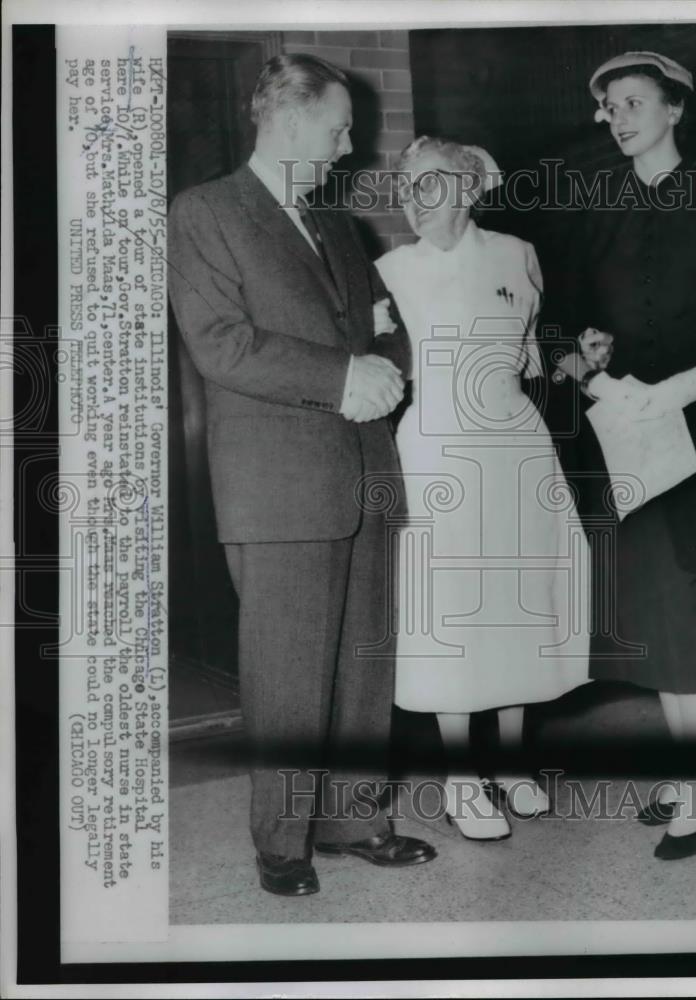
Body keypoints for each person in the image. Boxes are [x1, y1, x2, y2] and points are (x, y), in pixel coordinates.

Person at [167, 53, 436, 897]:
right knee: (287, 673)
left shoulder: (337, 225)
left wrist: (384, 366)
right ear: (287, 119)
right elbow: (221, 344)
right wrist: (343, 376)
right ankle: (282, 843)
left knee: (363, 665)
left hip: (363, 472)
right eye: (337, 127)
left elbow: (387, 332)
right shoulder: (205, 212)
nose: (348, 145)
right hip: (277, 484)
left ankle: (354, 820)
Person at [557, 51, 696, 859]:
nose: (617, 117)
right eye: (608, 105)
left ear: (674, 109)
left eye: (633, 102)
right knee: (655, 614)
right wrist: (588, 356)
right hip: (629, 436)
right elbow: (570, 322)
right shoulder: (600, 210)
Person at [376, 137, 591, 841]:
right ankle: (461, 778)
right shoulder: (390, 271)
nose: (412, 198)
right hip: (438, 448)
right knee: (454, 612)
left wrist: (579, 363)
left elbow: (532, 358)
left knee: (516, 602)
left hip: (516, 447)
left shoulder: (516, 254)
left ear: (468, 189)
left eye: (428, 183)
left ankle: (512, 763)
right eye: (405, 186)